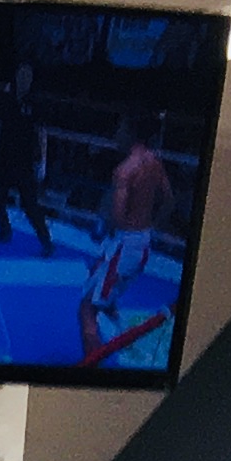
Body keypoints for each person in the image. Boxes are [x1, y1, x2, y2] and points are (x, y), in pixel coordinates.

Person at [79, 115, 176, 362]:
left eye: (120, 128)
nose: (116, 134)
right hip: (140, 241)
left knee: (87, 309)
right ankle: (124, 337)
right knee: (101, 290)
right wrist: (150, 226)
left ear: (131, 132)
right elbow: (168, 201)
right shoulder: (154, 162)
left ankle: (91, 366)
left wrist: (103, 223)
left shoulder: (124, 171)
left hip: (124, 245)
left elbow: (119, 217)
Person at [0, 59, 53, 254]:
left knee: (30, 205)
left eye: (28, 75)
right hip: (4, 157)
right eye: (21, 74)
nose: (24, 79)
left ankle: (46, 242)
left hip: (25, 161)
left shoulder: (35, 101)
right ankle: (5, 230)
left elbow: (41, 133)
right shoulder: (7, 98)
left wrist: (43, 161)